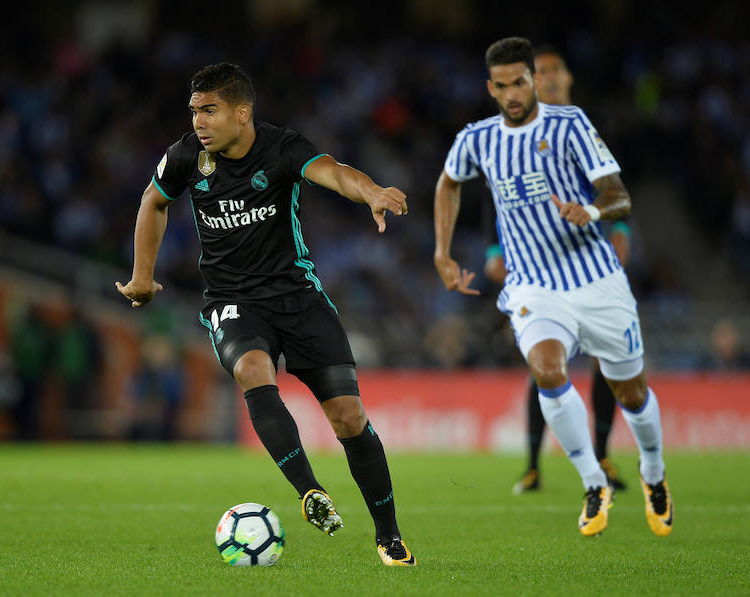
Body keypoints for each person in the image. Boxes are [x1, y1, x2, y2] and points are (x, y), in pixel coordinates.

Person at [116, 63, 416, 565]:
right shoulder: (186, 156)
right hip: (232, 303)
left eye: (209, 111)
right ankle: (308, 492)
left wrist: (372, 192)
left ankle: (389, 537)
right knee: (253, 370)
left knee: (349, 417)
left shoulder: (282, 147)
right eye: (194, 112)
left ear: (242, 112)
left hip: (298, 297)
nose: (198, 123)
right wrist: (142, 277)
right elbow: (153, 201)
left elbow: (335, 173)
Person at [434, 37, 674, 537]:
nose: (513, 92)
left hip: (595, 277)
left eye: (520, 81)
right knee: (546, 369)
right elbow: (448, 182)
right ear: (491, 88)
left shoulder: (571, 124)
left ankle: (653, 472)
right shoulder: (477, 138)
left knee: (631, 394)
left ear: (534, 79)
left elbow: (618, 195)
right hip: (533, 285)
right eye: (502, 86)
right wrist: (442, 251)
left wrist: (590, 210)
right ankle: (593, 482)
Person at [480, 45, 629, 495]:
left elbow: (614, 203)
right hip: (541, 277)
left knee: (608, 362)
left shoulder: (584, 135)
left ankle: (602, 455)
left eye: (552, 71)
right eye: (536, 72)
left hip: (590, 269)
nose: (545, 78)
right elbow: (505, 208)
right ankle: (532, 465)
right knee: (543, 364)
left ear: (566, 78)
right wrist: (497, 256)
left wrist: (615, 257)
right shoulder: (513, 140)